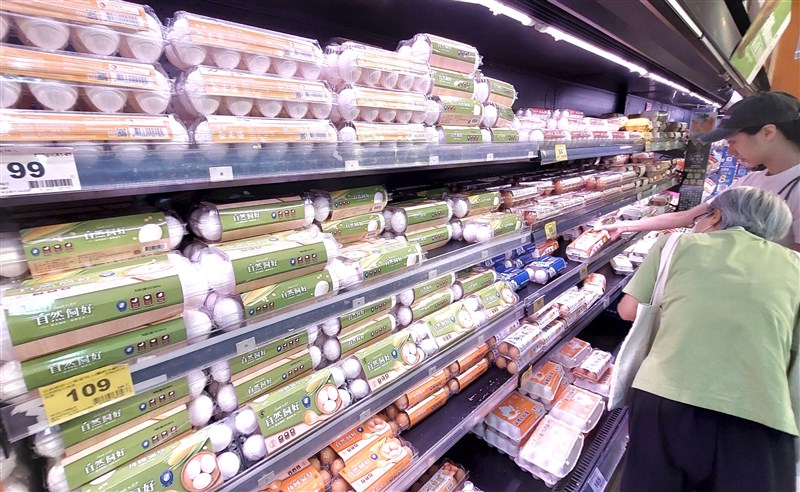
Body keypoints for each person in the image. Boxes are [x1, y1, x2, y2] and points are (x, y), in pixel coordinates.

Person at [616, 186, 799, 492]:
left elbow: (627, 310)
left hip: (666, 398)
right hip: (762, 419)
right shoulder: (796, 266)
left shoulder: (676, 244)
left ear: (715, 216)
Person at [600, 91, 800, 251]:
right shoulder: (750, 181)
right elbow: (688, 216)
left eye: (733, 141)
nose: (730, 152)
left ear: (768, 133)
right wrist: (625, 226)